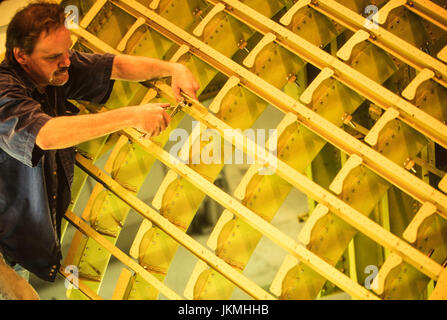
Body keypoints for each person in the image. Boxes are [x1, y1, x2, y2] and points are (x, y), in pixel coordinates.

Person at [0, 1, 199, 299]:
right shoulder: (4, 92)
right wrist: (130, 116)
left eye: (67, 50)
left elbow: (113, 65)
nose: (66, 61)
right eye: (54, 56)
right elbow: (45, 134)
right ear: (21, 56)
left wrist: (173, 68)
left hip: (14, 233)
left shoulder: (52, 70)